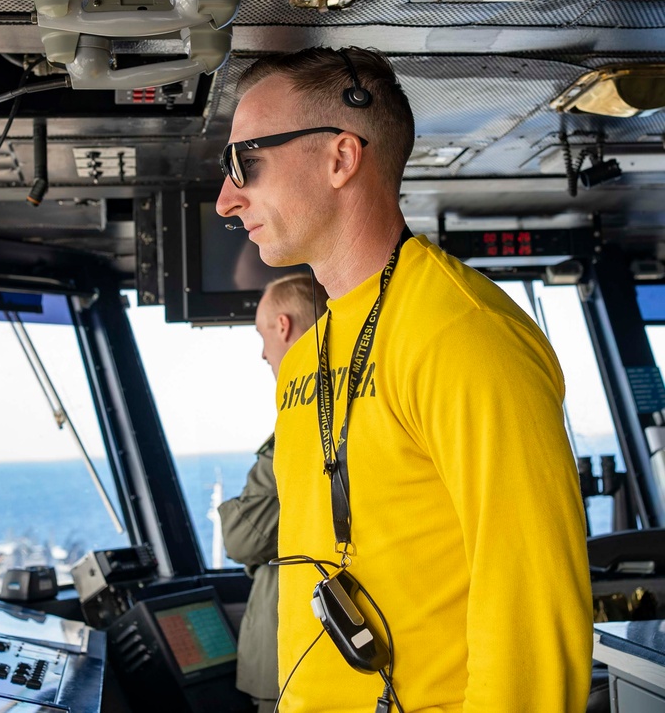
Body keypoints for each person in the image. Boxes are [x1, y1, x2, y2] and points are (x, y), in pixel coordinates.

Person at [216, 47, 593, 713]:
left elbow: (533, 611)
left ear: (340, 158)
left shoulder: (465, 336)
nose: (226, 198)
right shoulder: (306, 359)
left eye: (247, 162)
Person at [218, 273, 329, 713]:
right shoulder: (358, 395)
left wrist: (232, 511)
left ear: (282, 327)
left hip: (295, 658)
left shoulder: (304, 416)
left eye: (263, 335)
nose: (264, 353)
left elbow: (241, 538)